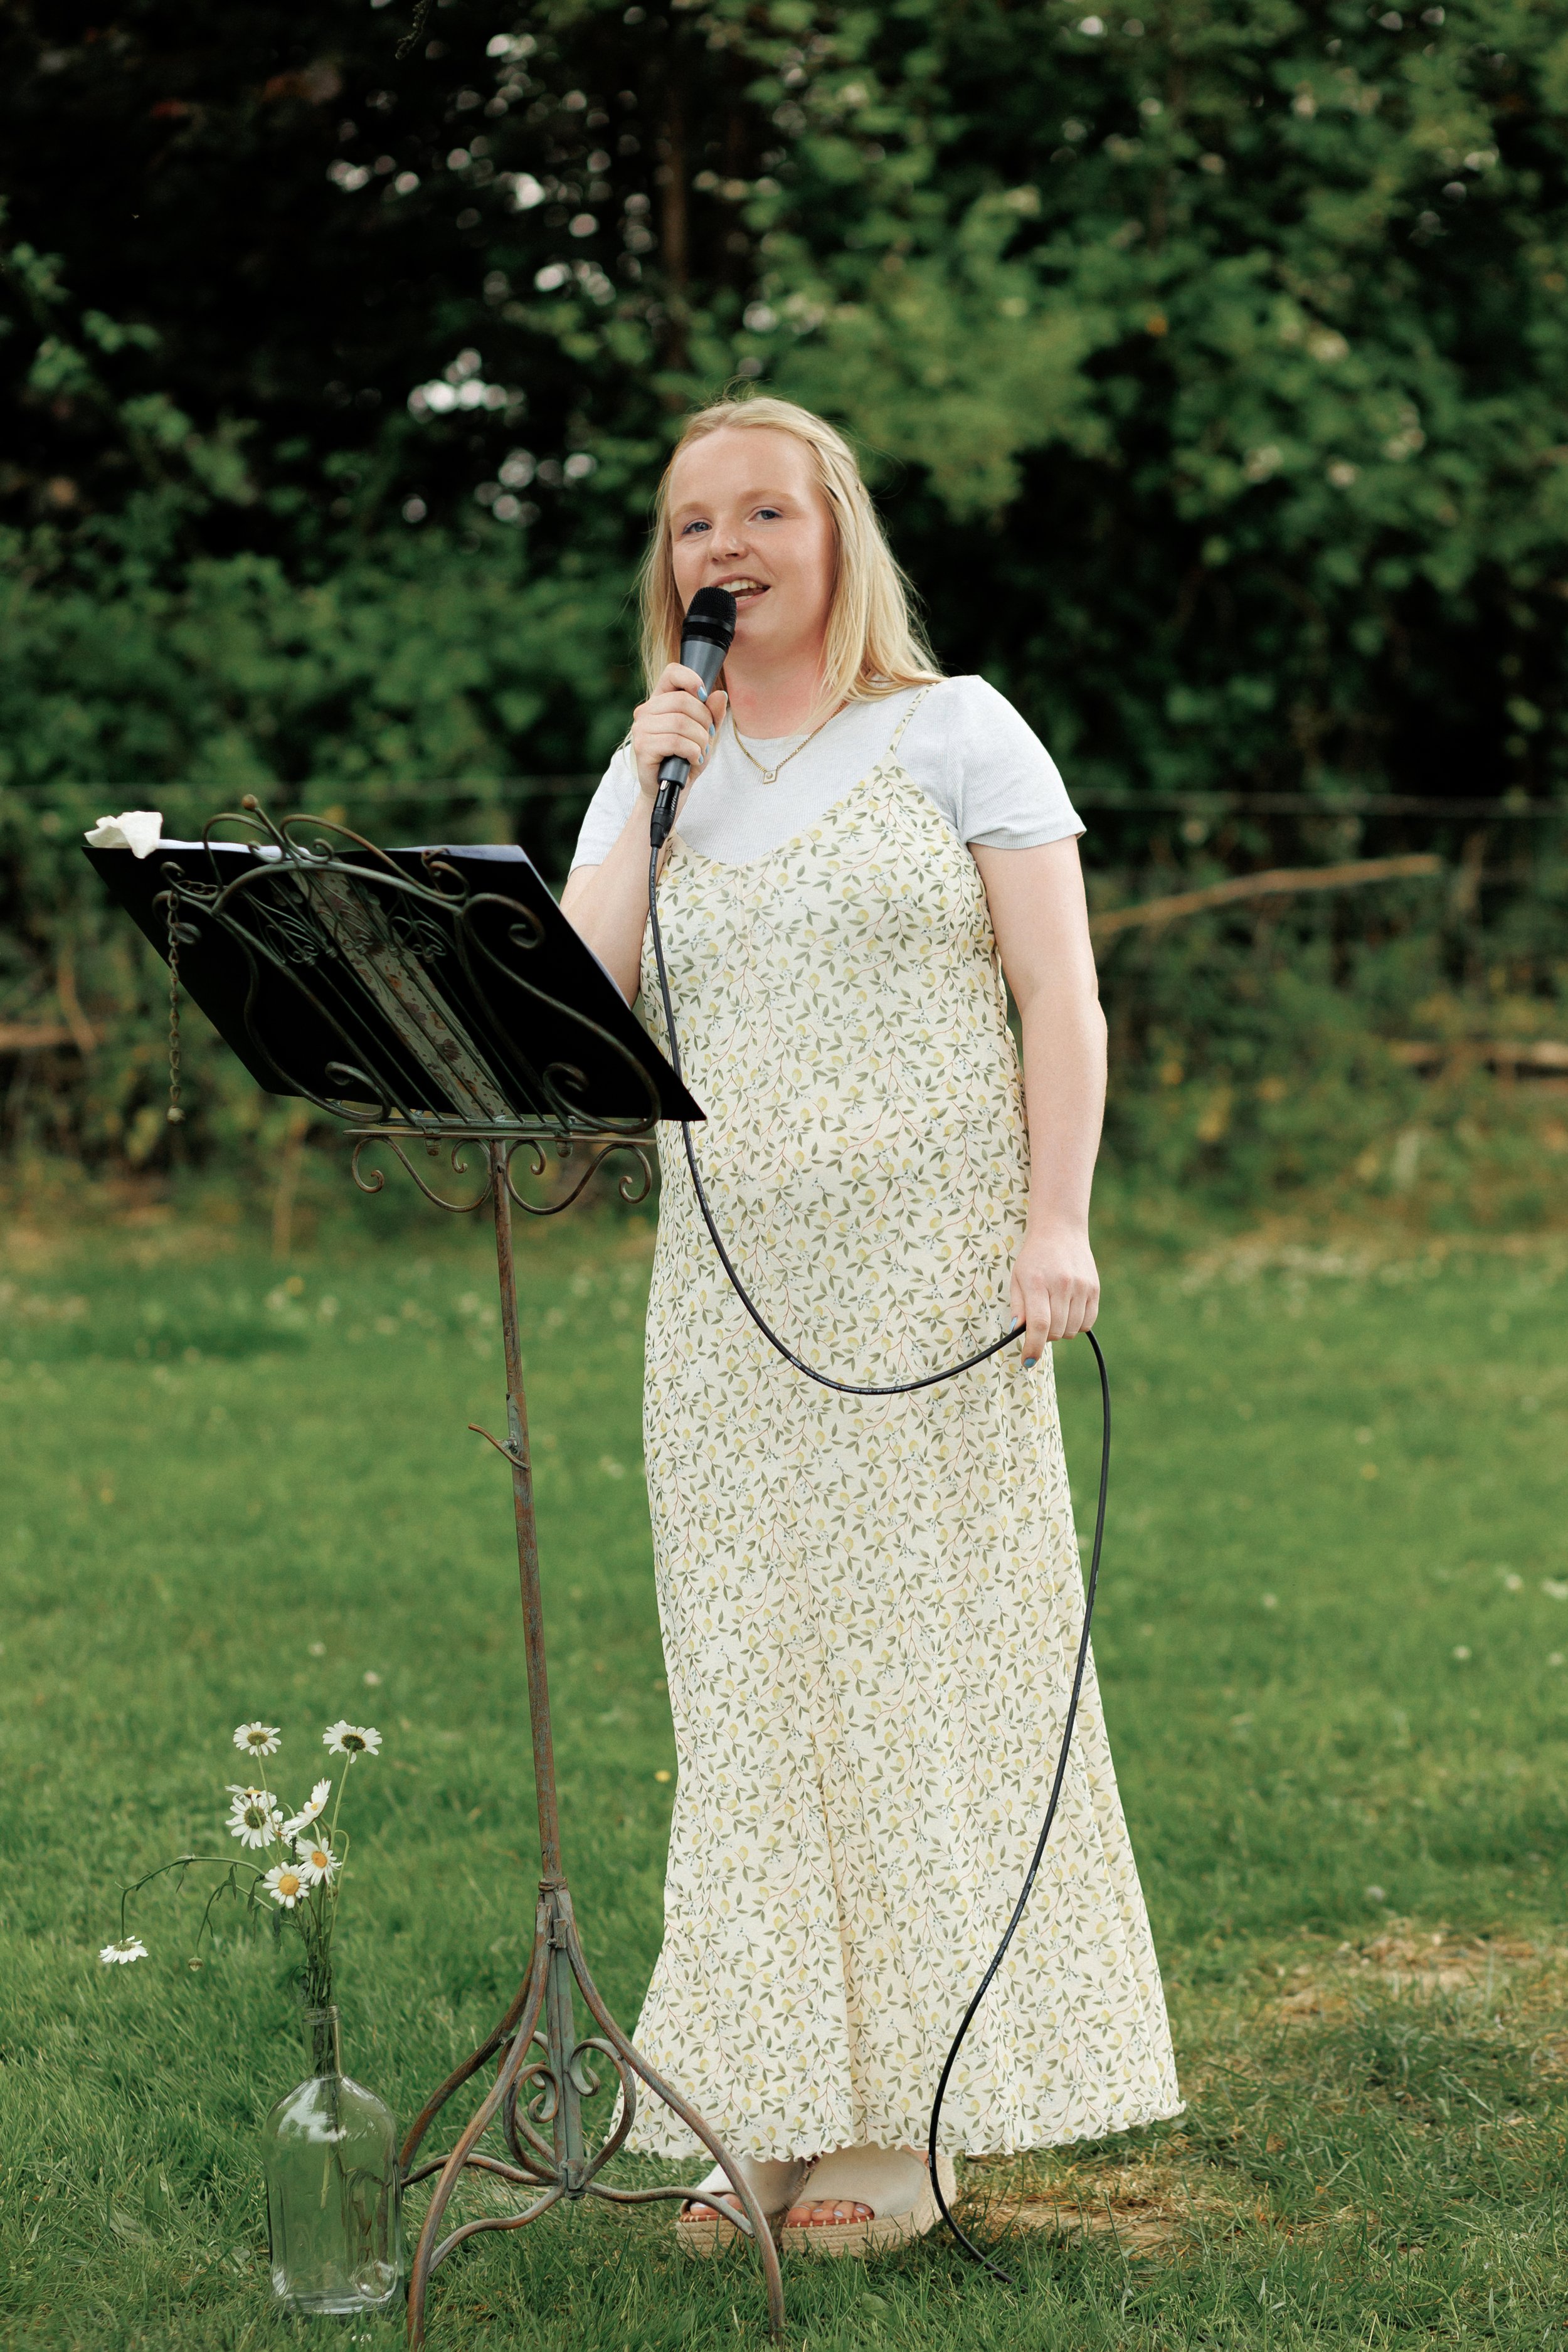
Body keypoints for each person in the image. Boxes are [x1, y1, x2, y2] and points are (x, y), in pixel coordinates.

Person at [561, 393, 1180, 2255]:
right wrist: (646, 788)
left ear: (836, 533)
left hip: (930, 1295)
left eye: (764, 512)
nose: (726, 549)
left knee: (920, 1686)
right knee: (749, 1696)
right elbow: (572, 1007)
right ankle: (757, 2103)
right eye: (694, 524)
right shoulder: (655, 765)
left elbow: (1058, 996)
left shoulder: (957, 728)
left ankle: (909, 2126)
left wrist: (1055, 1223)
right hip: (724, 1317)